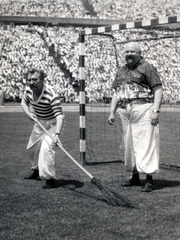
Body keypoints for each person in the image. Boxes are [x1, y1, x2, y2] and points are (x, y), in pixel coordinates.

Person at [108, 42, 163, 192]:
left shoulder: (147, 67)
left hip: (144, 108)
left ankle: (149, 179)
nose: (129, 54)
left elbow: (157, 89)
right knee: (129, 144)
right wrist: (112, 111)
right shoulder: (121, 70)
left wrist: (156, 111)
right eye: (126, 52)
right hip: (125, 110)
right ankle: (135, 176)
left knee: (146, 142)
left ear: (139, 53)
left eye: (132, 51)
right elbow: (116, 92)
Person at [21, 68, 64, 189]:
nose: (31, 82)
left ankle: (49, 179)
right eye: (29, 80)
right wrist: (29, 114)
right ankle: (36, 171)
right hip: (39, 123)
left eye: (35, 79)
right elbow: (23, 103)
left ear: (42, 80)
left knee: (46, 149)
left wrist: (57, 135)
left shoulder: (51, 94)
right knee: (31, 148)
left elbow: (59, 117)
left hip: (53, 124)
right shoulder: (28, 91)